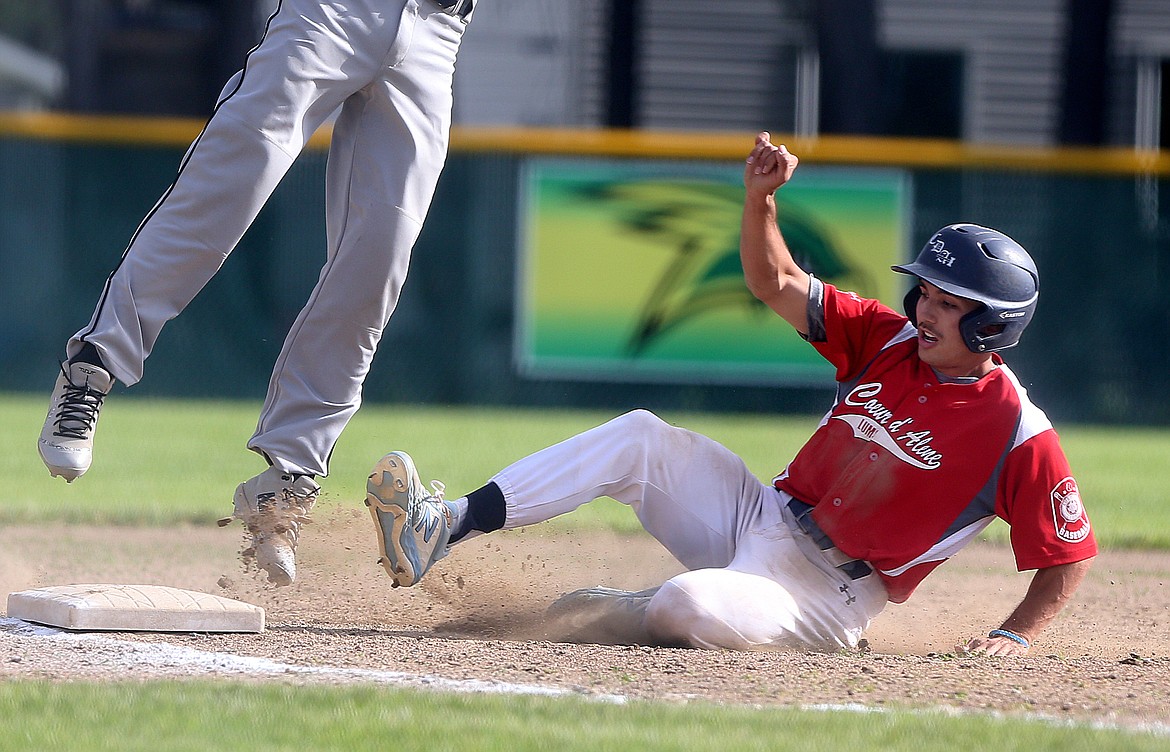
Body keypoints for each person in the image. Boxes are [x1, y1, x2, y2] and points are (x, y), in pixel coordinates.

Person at [363, 131, 1097, 654]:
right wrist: (761, 204)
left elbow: (1065, 555)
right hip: (765, 514)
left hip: (830, 595)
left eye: (948, 302)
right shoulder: (891, 341)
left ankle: (632, 610)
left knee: (685, 606)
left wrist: (1014, 636)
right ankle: (445, 525)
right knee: (642, 437)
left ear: (995, 326)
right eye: (926, 293)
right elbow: (774, 283)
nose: (925, 310)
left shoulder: (1017, 432)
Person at [36, 0, 477, 586]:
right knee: (237, 175)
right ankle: (95, 362)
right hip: (337, 12)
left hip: (436, 29)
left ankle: (288, 479)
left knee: (382, 255)